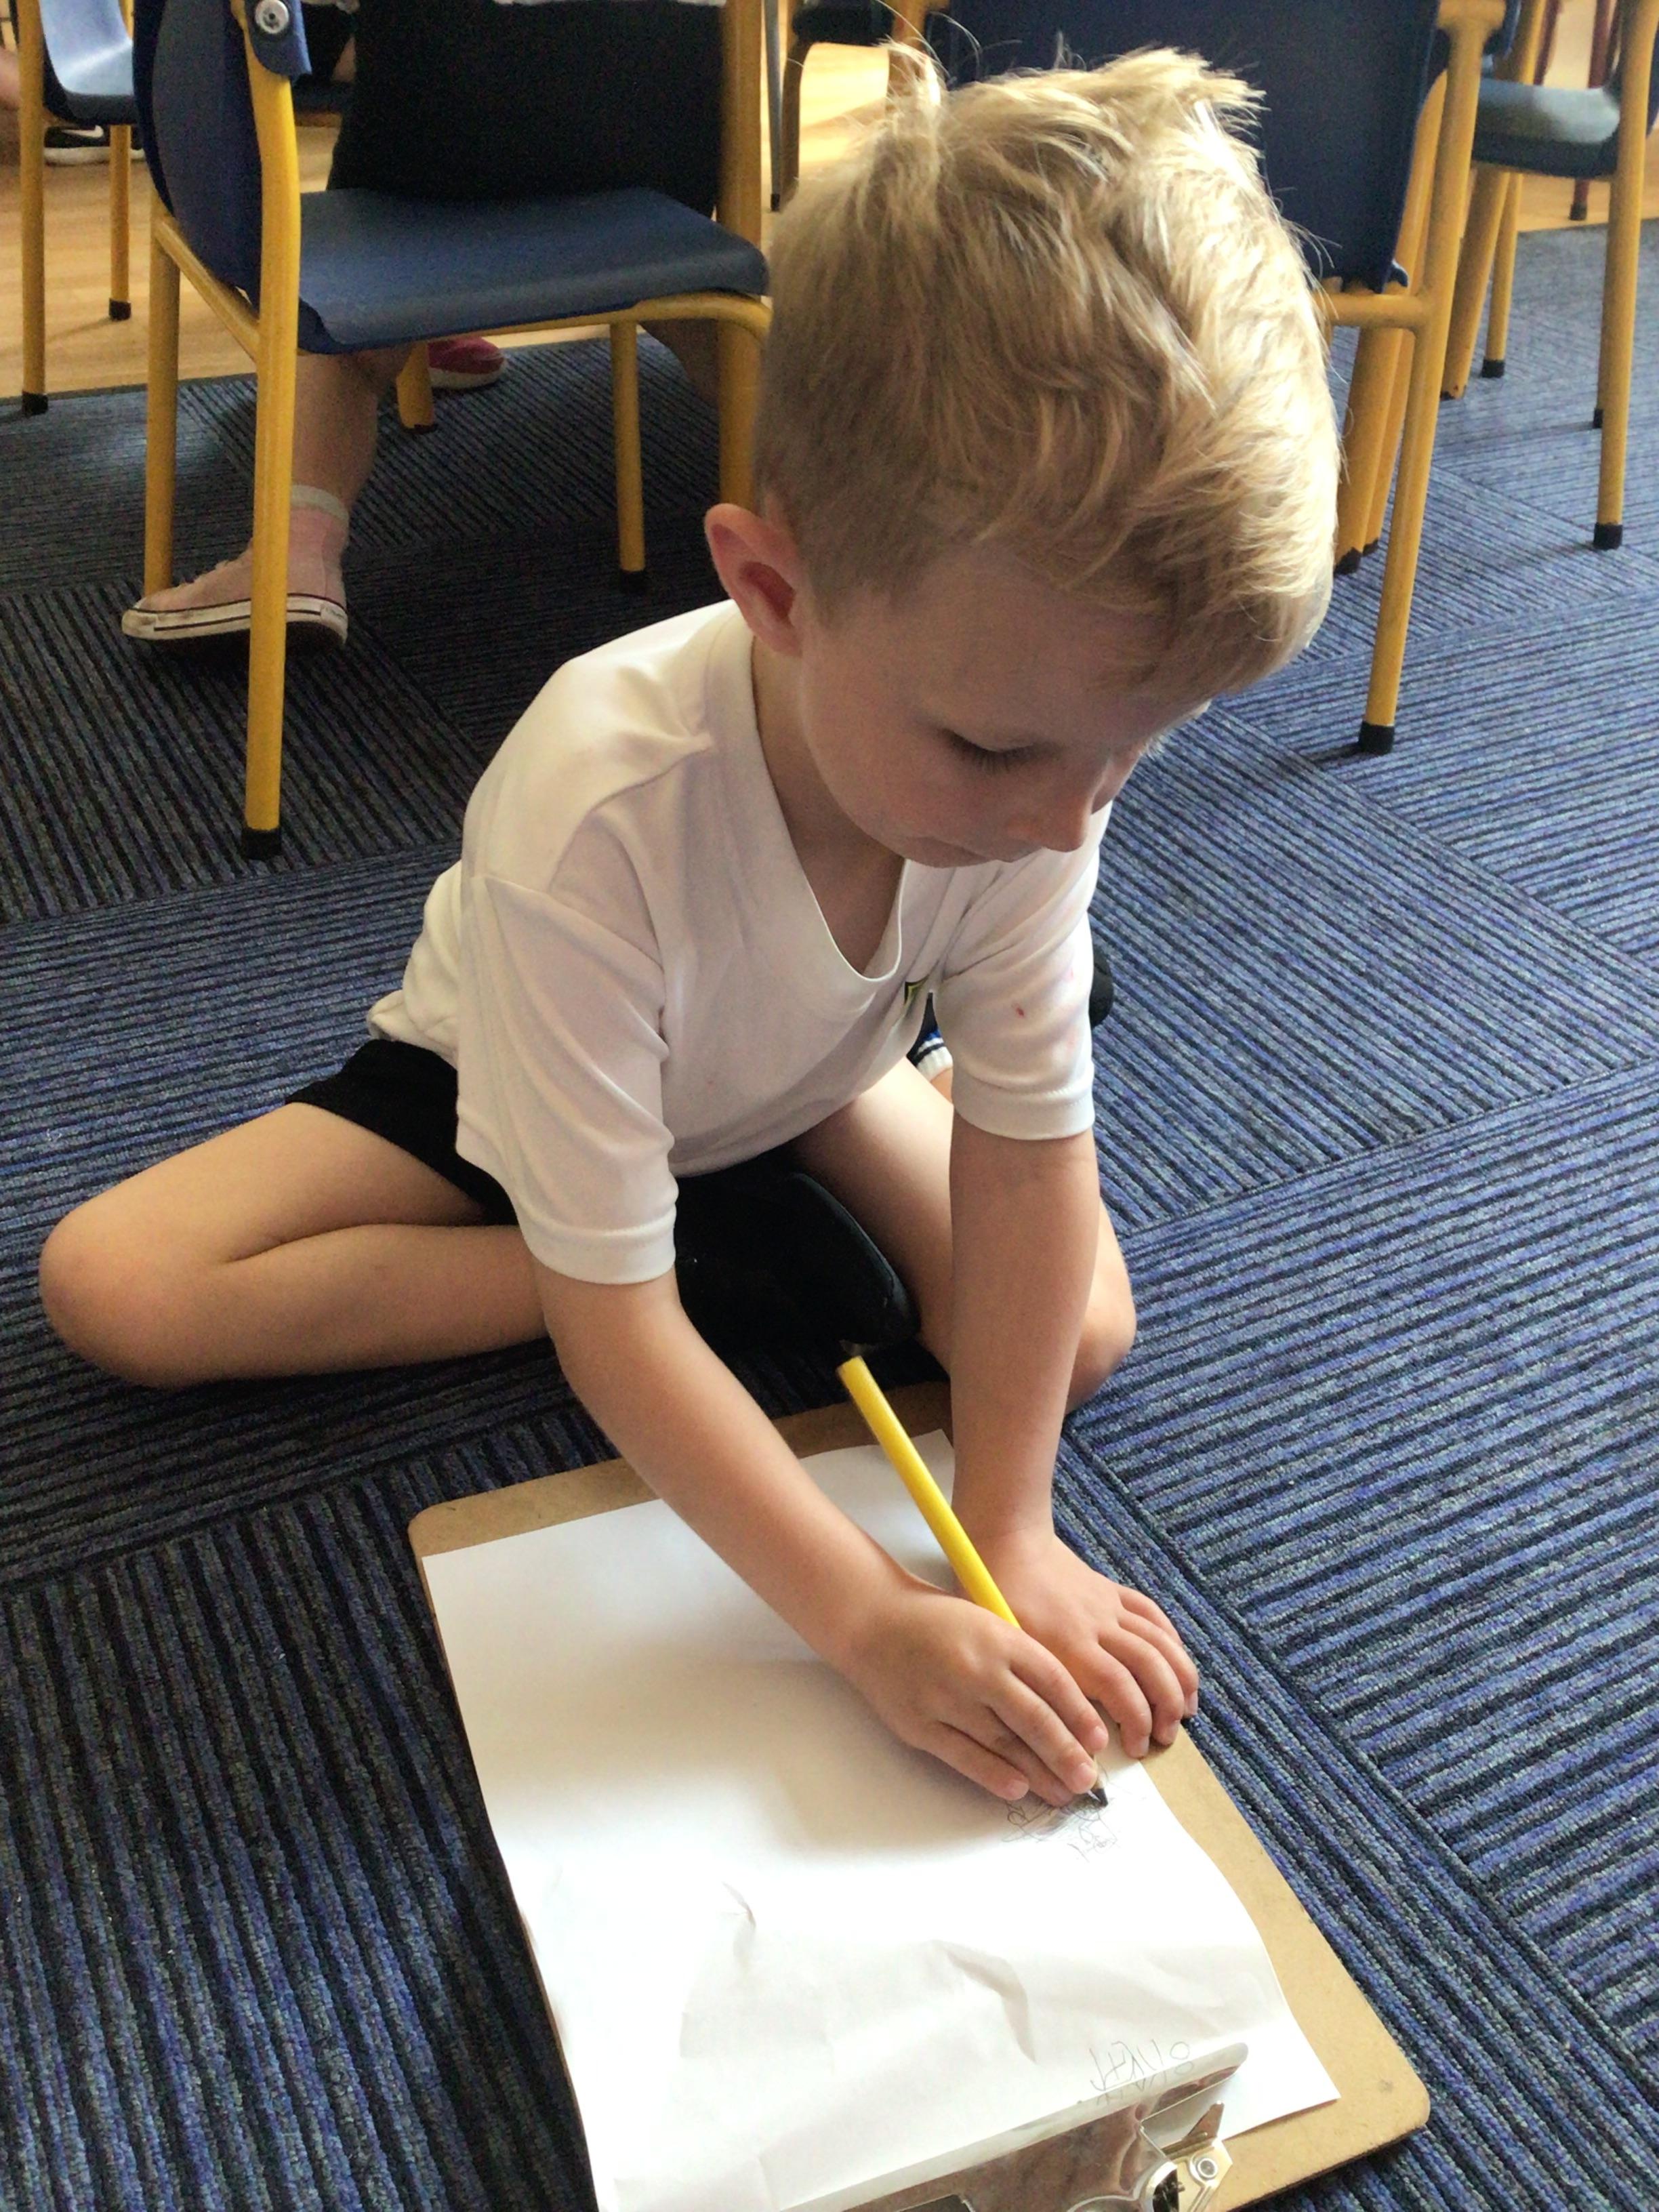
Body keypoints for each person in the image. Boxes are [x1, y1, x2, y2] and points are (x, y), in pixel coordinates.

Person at [43, 51, 1340, 1809]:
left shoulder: (1032, 756)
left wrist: (1010, 1529)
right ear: (774, 591)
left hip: (814, 1067)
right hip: (514, 1074)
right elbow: (623, 1355)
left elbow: (1036, 1161)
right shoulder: (600, 801)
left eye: (1130, 755)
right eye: (1002, 754)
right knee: (119, 1286)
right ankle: (692, 1250)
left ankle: (696, 1225)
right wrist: (862, 1615)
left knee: (1080, 1327)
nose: (1070, 819)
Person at [120, 0, 722, 647]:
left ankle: (298, 550)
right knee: (703, 300)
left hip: (446, 111)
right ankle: (806, 502)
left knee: (349, 320)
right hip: (660, 113)